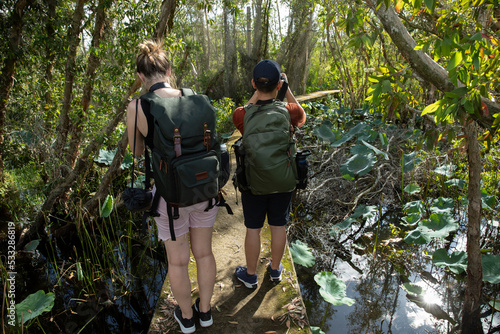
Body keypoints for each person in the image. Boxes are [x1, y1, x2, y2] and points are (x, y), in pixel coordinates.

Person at [126, 40, 218, 334]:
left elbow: (137, 151)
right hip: (204, 190)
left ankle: (187, 319)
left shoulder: (138, 106)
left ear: (141, 77)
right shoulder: (197, 99)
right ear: (169, 70)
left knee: (178, 262)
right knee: (204, 253)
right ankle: (206, 313)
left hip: (169, 198)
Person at [232, 60, 306, 288]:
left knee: (253, 228)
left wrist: (257, 93)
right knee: (278, 226)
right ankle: (275, 270)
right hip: (283, 180)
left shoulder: (242, 115)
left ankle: (251, 275)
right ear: (278, 85)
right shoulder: (288, 111)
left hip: (254, 182)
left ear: (254, 83)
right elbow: (302, 117)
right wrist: (287, 89)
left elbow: (243, 113)